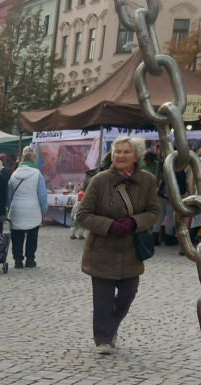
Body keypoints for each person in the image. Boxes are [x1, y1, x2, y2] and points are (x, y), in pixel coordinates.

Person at [75, 135, 159, 355]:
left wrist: (134, 222)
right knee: (102, 298)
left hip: (131, 250)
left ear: (137, 156)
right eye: (118, 151)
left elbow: (153, 212)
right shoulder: (100, 180)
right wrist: (109, 226)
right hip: (102, 249)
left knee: (128, 294)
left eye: (126, 152)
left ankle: (111, 328)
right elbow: (83, 214)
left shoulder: (148, 180)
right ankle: (103, 338)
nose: (121, 155)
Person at [6, 146, 48, 269]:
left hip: (16, 209)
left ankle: (18, 260)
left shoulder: (14, 174)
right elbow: (42, 194)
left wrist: (7, 209)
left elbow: (9, 195)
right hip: (33, 208)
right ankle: (30, 259)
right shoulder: (37, 174)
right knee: (32, 235)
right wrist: (44, 209)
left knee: (17, 236)